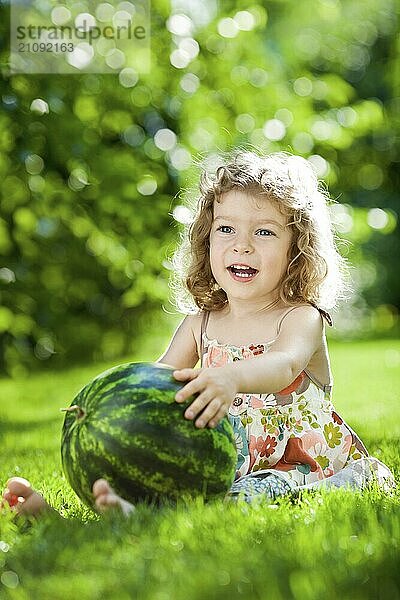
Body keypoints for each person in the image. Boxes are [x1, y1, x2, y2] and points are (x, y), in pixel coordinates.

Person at [2, 150, 395, 518]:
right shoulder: (200, 324)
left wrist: (231, 377)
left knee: (245, 498)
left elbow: (284, 364)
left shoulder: (300, 317)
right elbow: (158, 388)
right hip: (224, 460)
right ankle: (81, 510)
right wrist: (112, 416)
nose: (242, 245)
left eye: (264, 233)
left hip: (295, 466)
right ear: (206, 240)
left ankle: (137, 517)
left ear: (297, 248)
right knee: (165, 476)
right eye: (226, 229)